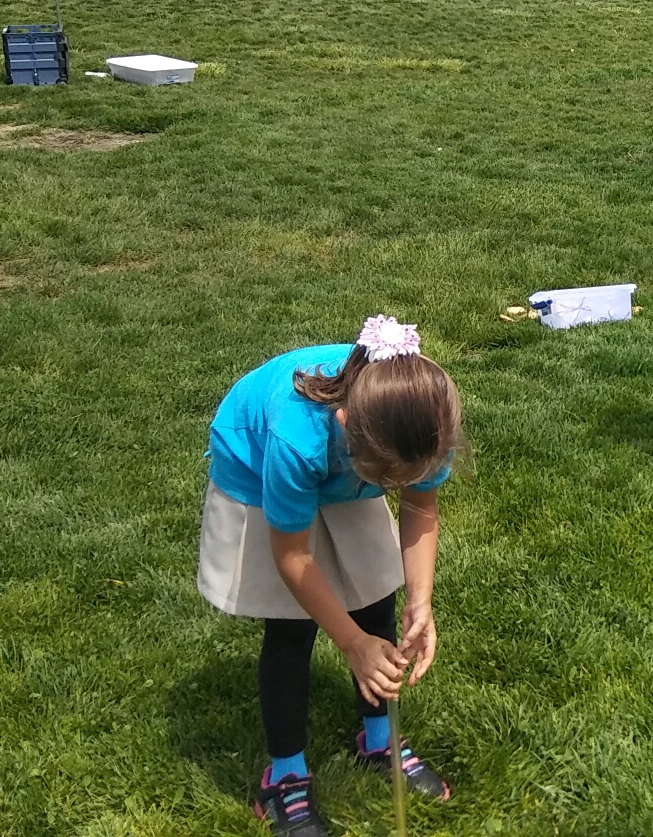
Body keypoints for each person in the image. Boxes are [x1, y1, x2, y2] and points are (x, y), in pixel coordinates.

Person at [198, 315, 462, 837]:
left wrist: (421, 600)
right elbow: (293, 558)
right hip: (256, 460)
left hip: (351, 461)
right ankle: (285, 776)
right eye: (387, 480)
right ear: (345, 424)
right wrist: (350, 643)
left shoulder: (424, 418)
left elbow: (420, 506)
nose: (398, 487)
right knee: (292, 625)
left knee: (375, 600)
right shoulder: (297, 438)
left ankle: (378, 739)